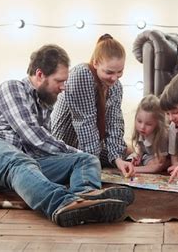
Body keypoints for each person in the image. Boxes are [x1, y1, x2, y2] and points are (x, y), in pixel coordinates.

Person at [0, 44, 134, 227]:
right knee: (19, 161)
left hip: (19, 167)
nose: (63, 88)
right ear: (40, 75)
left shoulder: (45, 107)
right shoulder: (12, 88)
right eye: (59, 81)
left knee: (86, 160)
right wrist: (70, 150)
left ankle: (86, 197)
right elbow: (35, 138)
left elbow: (39, 150)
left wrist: (80, 156)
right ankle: (64, 204)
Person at [51, 34, 134, 177]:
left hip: (90, 146)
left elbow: (114, 123)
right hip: (64, 146)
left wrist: (117, 159)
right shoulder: (82, 74)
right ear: (95, 63)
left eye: (120, 72)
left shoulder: (116, 87)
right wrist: (92, 166)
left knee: (128, 150)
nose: (114, 78)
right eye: (109, 72)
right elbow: (85, 124)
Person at [128, 95, 169, 173]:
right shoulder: (141, 131)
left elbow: (159, 165)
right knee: (133, 158)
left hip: (162, 157)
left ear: (157, 124)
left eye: (149, 124)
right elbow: (141, 148)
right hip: (150, 155)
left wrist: (134, 169)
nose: (142, 127)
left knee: (153, 163)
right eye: (139, 121)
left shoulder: (162, 135)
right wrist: (138, 157)